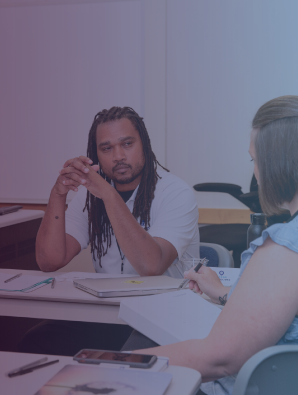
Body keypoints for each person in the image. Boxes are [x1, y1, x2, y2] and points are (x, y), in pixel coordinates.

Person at [132, 95, 298, 395]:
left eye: (254, 160)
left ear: (276, 163)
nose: (256, 171)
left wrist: (117, 363)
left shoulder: (290, 246)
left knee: (134, 352)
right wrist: (223, 294)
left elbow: (220, 361)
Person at [19, 106, 199, 355]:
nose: (118, 156)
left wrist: (107, 193)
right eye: (107, 148)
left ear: (144, 145)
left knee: (127, 363)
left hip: (166, 315)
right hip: (110, 314)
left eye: (127, 144)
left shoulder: (176, 193)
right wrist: (58, 193)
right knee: (35, 342)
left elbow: (151, 265)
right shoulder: (88, 195)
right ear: (96, 155)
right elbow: (49, 260)